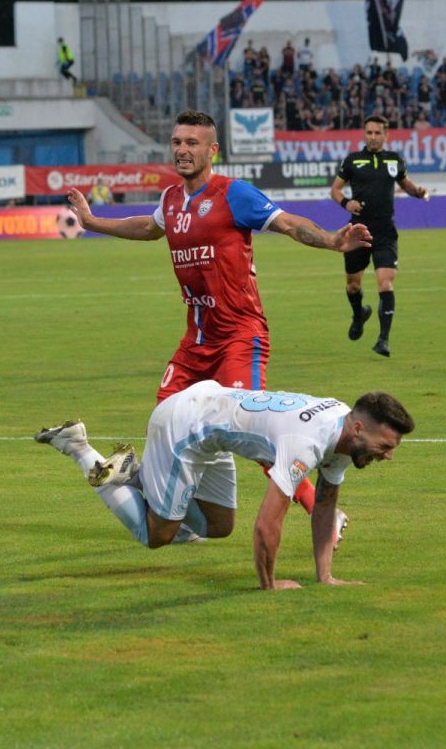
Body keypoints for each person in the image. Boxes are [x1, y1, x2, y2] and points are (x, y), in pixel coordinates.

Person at [65, 109, 373, 544]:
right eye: (176, 142)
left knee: (253, 429)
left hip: (239, 337)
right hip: (196, 342)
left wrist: (333, 240)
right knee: (166, 428)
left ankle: (323, 511)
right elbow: (150, 228)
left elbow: (288, 224)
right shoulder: (171, 199)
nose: (182, 150)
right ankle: (170, 507)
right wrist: (93, 222)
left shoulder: (234, 195)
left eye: (192, 143)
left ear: (213, 150)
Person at [35, 380, 414, 589]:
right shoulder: (308, 442)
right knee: (158, 534)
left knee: (219, 526)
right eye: (385, 446)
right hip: (185, 425)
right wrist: (270, 586)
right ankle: (80, 448)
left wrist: (325, 576)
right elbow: (268, 524)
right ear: (359, 428)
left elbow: (326, 504)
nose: (388, 455)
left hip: (214, 422)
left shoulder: (344, 426)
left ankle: (139, 478)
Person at [330, 115, 429, 358]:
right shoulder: (353, 160)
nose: (372, 137)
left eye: (377, 133)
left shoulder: (394, 160)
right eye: (369, 132)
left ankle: (383, 339)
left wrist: (417, 191)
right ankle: (359, 315)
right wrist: (346, 203)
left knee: (385, 282)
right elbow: (335, 189)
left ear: (386, 135)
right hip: (357, 232)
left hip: (385, 231)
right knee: (353, 285)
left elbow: (405, 184)